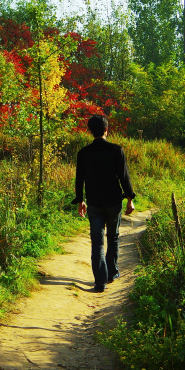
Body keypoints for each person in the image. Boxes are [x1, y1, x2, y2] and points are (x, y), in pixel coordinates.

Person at [71, 115, 135, 292]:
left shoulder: (83, 153)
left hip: (94, 203)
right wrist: (130, 199)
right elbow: (124, 177)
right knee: (113, 237)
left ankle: (100, 282)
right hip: (114, 202)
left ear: (90, 131)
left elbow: (79, 180)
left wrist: (81, 201)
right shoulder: (116, 150)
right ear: (107, 130)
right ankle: (111, 273)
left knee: (97, 242)